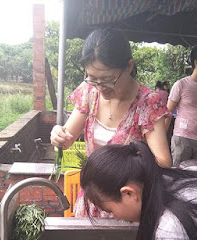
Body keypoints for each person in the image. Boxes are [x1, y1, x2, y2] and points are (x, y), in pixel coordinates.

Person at [50, 27, 172, 217]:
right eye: (93, 78)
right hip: (92, 200)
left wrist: (125, 163)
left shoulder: (147, 102)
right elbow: (67, 139)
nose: (100, 87)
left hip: (124, 207)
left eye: (107, 80)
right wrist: (58, 135)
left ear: (129, 66)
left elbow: (163, 163)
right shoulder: (88, 92)